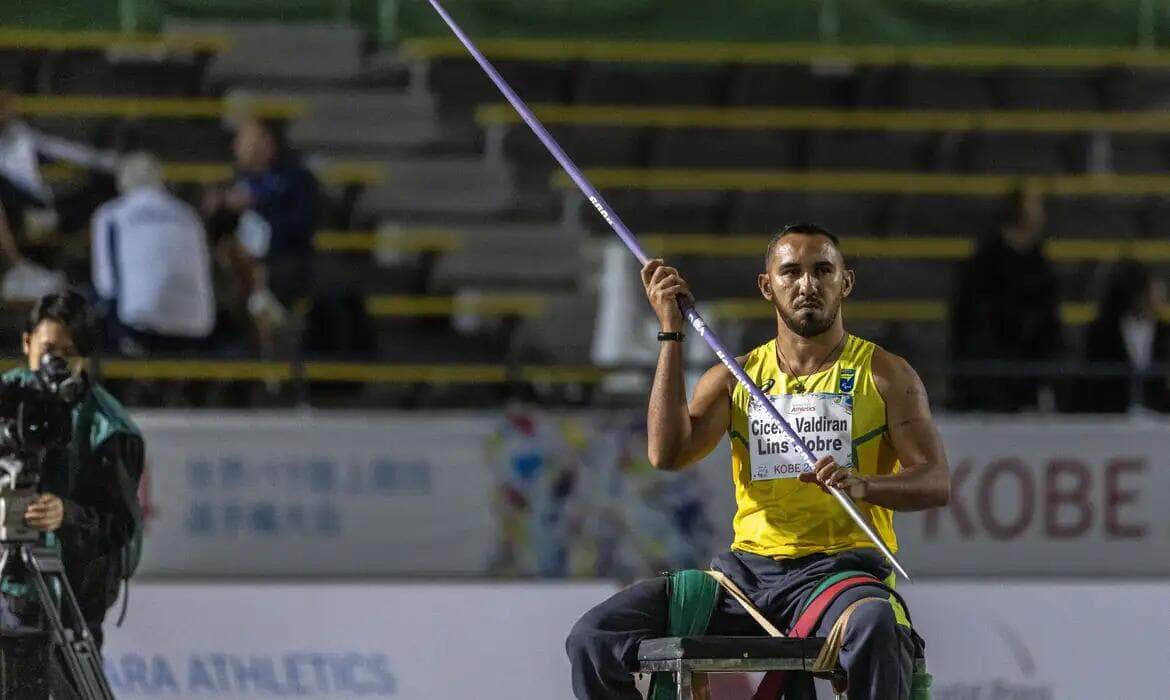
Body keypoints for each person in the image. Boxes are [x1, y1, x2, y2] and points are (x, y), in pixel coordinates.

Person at [565, 223, 951, 700]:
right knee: (593, 637)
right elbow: (666, 454)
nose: (807, 285)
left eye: (822, 270)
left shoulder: (885, 373)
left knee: (875, 625)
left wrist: (864, 485)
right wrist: (670, 333)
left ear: (844, 283)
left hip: (836, 575)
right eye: (791, 272)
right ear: (768, 286)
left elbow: (935, 481)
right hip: (744, 579)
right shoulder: (736, 377)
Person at [0, 291, 144, 652]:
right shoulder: (6, 400)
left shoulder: (107, 428)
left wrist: (68, 515)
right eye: (48, 350)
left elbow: (122, 526)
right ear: (27, 342)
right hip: (10, 593)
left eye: (69, 353)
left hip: (75, 604)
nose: (55, 363)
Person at [948, 184, 1064, 412]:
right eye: (1034, 205)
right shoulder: (984, 264)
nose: (1041, 213)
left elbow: (1049, 326)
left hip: (1029, 379)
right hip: (990, 379)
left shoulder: (1040, 265)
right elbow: (973, 325)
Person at [91, 152, 215, 357]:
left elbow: (105, 285)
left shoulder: (111, 214)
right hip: (198, 326)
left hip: (140, 329)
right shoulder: (189, 215)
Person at [205, 116, 320, 316]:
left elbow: (302, 225)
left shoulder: (297, 180)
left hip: (282, 265)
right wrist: (219, 209)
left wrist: (257, 204)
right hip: (238, 267)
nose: (237, 145)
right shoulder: (237, 180)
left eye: (244, 138)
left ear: (266, 141)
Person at [1074, 259, 1170, 413]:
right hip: (1112, 418)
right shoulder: (1102, 332)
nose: (1161, 290)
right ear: (1138, 292)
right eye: (1153, 285)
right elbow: (1091, 382)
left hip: (1157, 420)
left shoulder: (1164, 332)